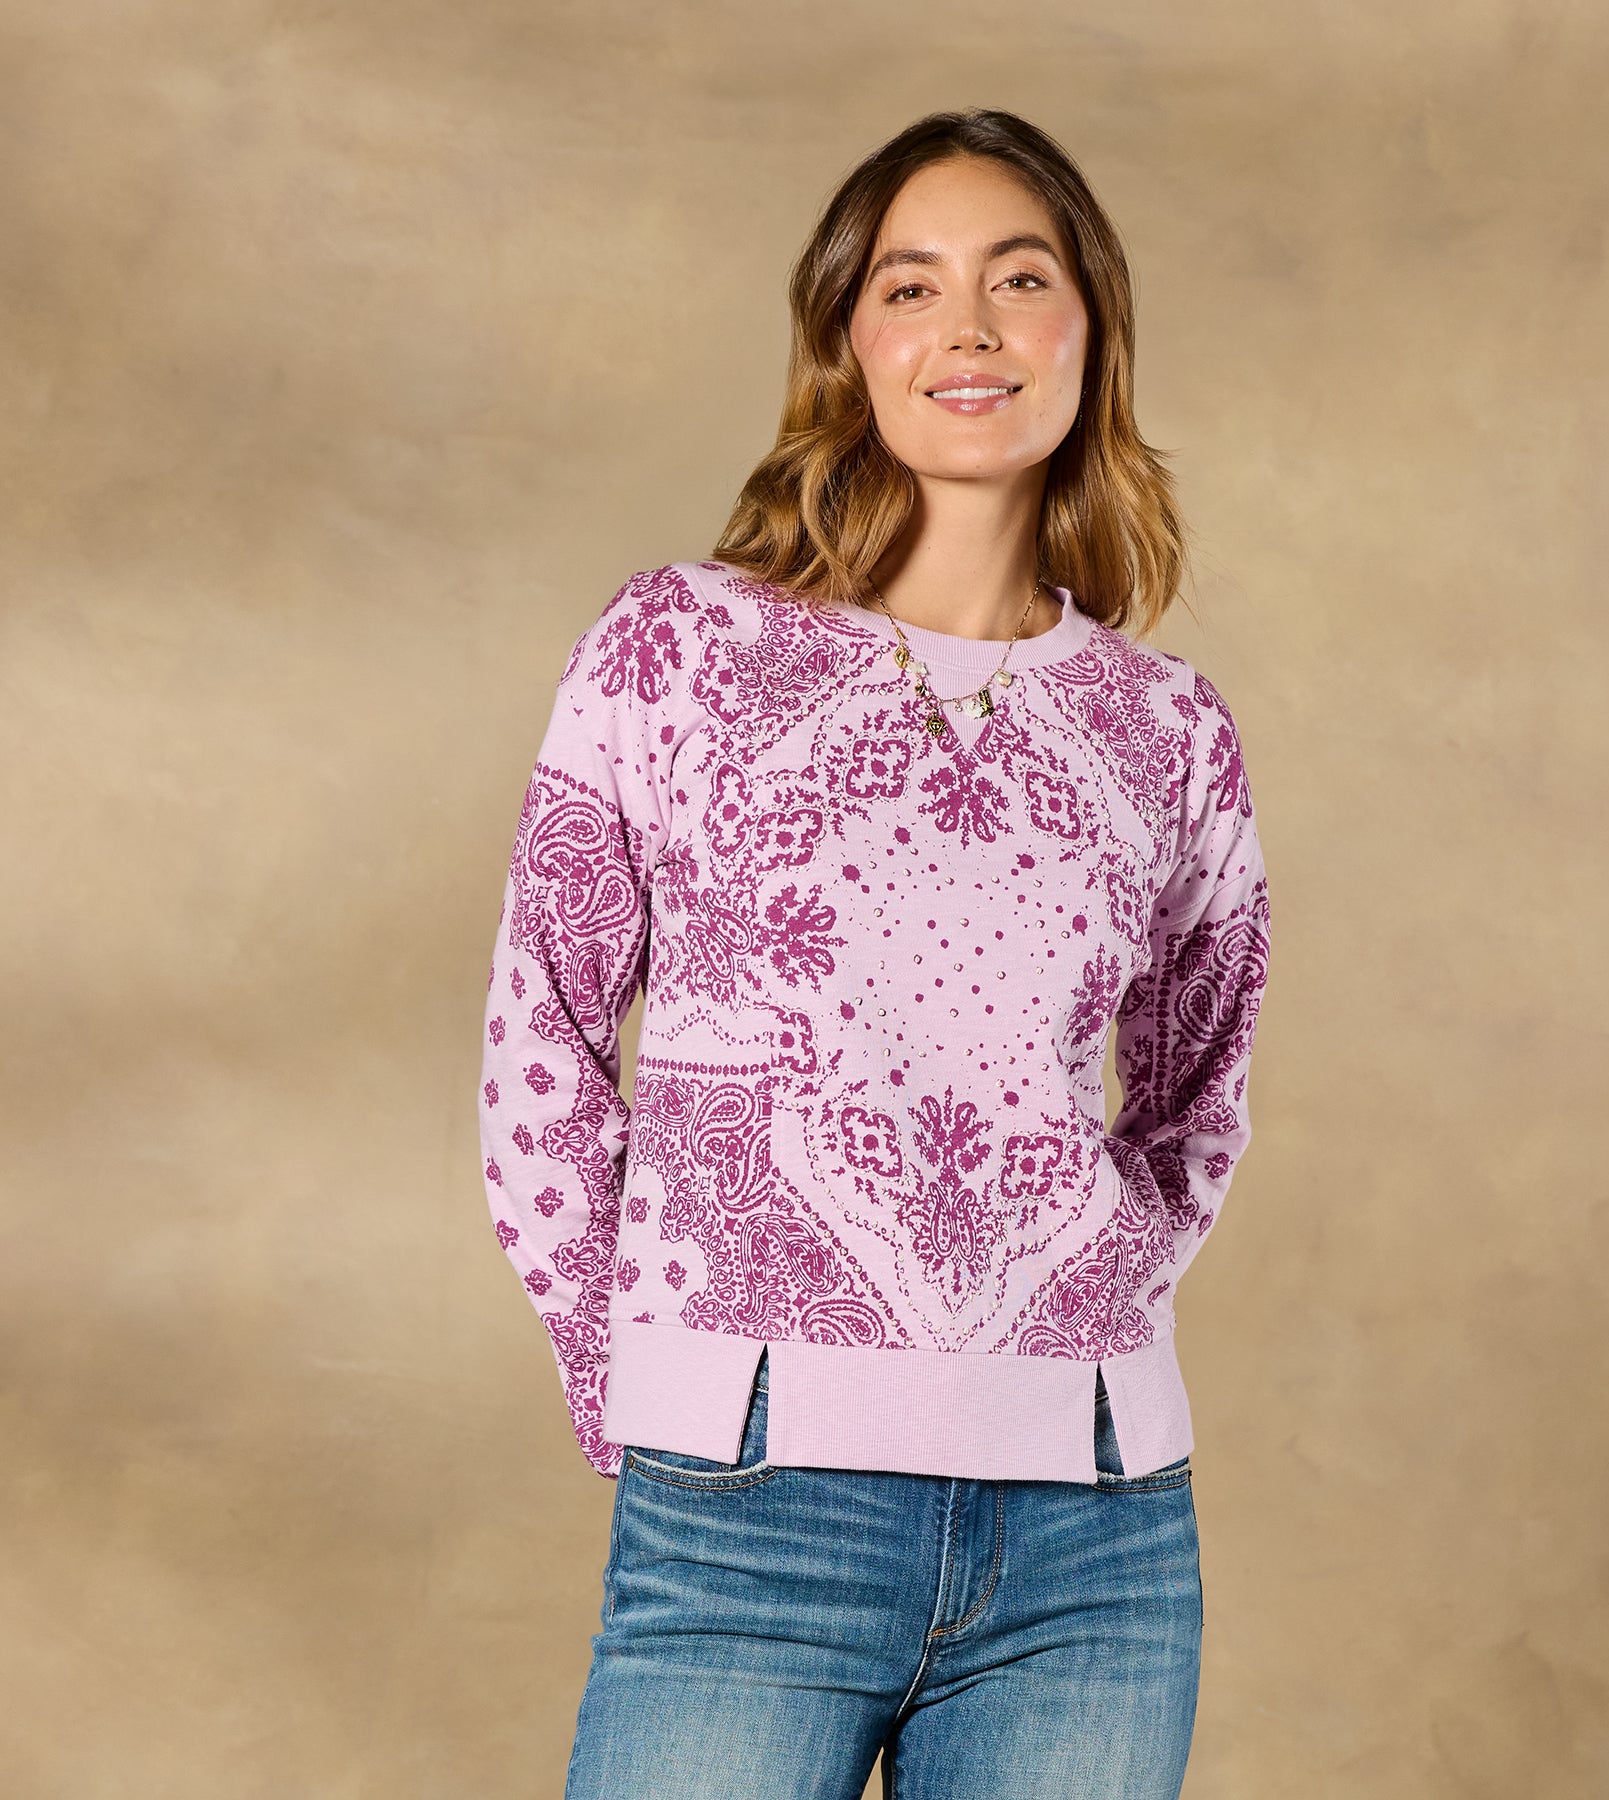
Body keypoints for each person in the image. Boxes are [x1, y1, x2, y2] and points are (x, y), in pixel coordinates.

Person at [480, 106, 1273, 1800]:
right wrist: (640, 1383)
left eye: (1019, 279)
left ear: (1091, 331)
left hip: (1096, 1546)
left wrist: (1091, 1285)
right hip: (750, 1512)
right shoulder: (678, 650)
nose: (969, 327)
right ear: (850, 344)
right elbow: (542, 1032)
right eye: (912, 287)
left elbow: (1200, 1091)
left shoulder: (1166, 727)